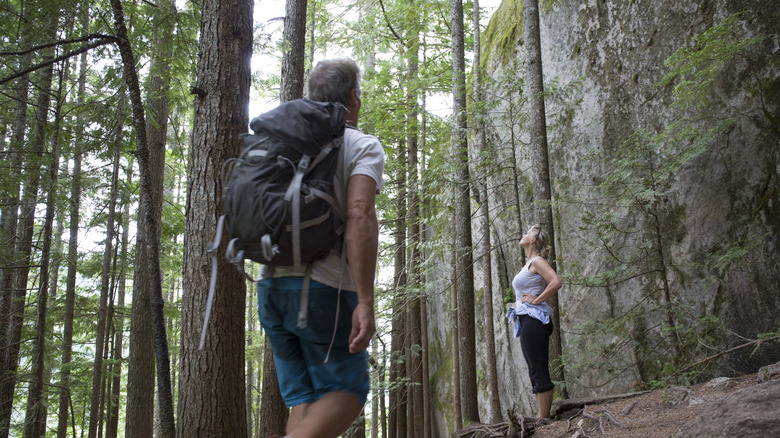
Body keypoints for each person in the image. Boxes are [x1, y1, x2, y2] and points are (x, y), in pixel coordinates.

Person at [256, 58, 384, 438]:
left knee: (306, 400)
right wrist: (365, 300)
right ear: (353, 98)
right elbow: (359, 214)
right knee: (347, 390)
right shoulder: (361, 146)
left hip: (270, 286)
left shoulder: (286, 143)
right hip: (322, 290)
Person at [506, 224, 562, 419]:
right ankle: (541, 417)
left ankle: (543, 419)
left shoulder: (537, 261)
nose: (523, 235)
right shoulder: (530, 263)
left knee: (538, 369)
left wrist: (537, 300)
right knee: (533, 370)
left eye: (527, 233)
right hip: (527, 321)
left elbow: (556, 281)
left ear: (533, 241)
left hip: (535, 320)